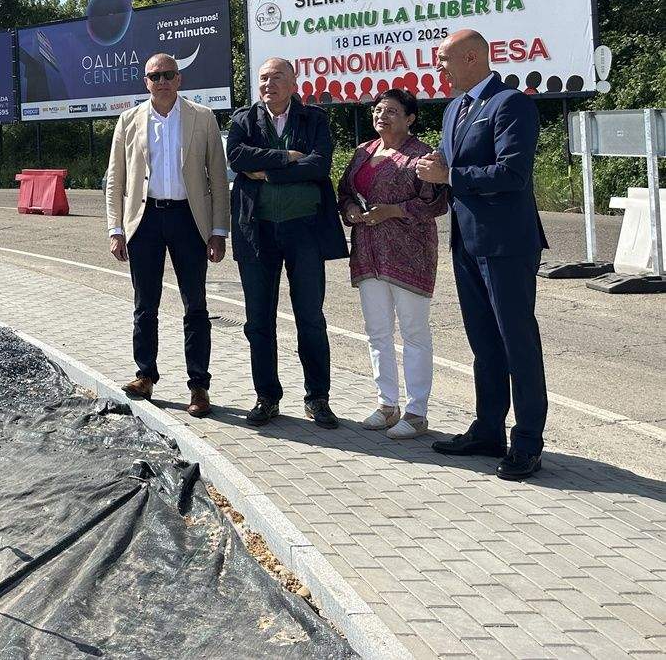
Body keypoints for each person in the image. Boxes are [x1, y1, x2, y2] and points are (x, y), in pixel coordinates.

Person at [417, 30, 549, 480]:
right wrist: (437, 172)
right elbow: (452, 170)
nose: (438, 68)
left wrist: (450, 173)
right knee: (484, 344)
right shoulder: (456, 107)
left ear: (471, 57)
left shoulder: (511, 103)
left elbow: (512, 173)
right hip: (467, 242)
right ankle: (488, 428)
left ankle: (528, 440)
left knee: (517, 343)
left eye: (443, 59)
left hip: (507, 244)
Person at [105, 52, 231, 416]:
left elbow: (218, 179)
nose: (161, 81)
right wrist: (116, 228)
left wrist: (219, 229)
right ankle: (145, 375)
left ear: (179, 80)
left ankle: (199, 387)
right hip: (144, 223)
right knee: (145, 305)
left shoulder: (203, 118)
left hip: (189, 221)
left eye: (168, 75)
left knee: (195, 306)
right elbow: (116, 179)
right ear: (145, 81)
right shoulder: (128, 120)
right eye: (154, 76)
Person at [227, 58, 348, 429]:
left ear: (294, 83)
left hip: (304, 232)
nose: (268, 83)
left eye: (277, 77)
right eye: (263, 78)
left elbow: (319, 165)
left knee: (310, 317)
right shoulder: (243, 120)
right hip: (257, 232)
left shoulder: (314, 120)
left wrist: (267, 173)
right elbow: (236, 156)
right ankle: (267, 396)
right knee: (258, 320)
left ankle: (318, 398)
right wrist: (285, 158)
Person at [337, 89, 448, 439]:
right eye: (378, 110)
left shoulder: (423, 156)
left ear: (410, 118)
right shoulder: (362, 152)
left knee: (414, 333)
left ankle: (416, 412)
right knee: (377, 332)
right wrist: (351, 209)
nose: (382, 116)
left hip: (409, 252)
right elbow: (344, 191)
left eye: (392, 111)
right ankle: (387, 404)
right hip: (368, 250)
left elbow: (436, 203)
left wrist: (394, 211)